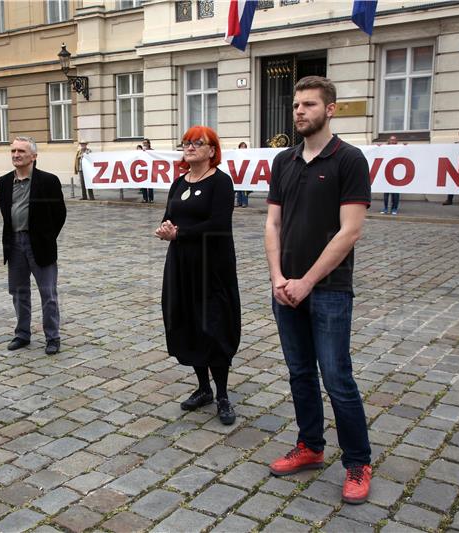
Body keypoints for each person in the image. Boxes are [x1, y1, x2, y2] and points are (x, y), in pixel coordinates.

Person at [265, 76, 372, 504]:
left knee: (337, 377)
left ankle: (358, 461)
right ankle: (310, 445)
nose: (298, 111)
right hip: (285, 289)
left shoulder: (349, 159)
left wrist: (307, 282)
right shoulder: (284, 161)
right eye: (295, 105)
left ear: (330, 109)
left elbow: (350, 232)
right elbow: (272, 224)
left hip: (327, 289)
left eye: (308, 104)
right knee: (300, 373)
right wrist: (277, 278)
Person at [156, 125, 241, 426]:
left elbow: (219, 223)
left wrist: (180, 233)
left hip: (211, 266)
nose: (190, 147)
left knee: (213, 325)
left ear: (212, 150)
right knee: (188, 323)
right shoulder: (179, 182)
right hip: (181, 264)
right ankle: (203, 388)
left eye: (197, 143)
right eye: (186, 142)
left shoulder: (221, 182)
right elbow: (170, 214)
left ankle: (222, 395)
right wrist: (166, 228)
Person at [0, 137, 66, 355]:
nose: (16, 155)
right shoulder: (3, 182)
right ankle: (22, 334)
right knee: (18, 292)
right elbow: (6, 213)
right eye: (13, 151)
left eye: (21, 151)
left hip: (40, 244)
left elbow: (59, 214)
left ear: (33, 156)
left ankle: (52, 337)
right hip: (14, 244)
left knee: (48, 293)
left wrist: (45, 237)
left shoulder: (49, 181)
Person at [380, 135, 400, 215]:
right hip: (387, 173)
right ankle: (385, 208)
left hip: (397, 174)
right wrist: (378, 147)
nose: (393, 141)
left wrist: (406, 146)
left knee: (395, 194)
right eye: (391, 140)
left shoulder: (400, 148)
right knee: (386, 193)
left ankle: (394, 208)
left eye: (394, 140)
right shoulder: (385, 149)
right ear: (389, 141)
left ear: (396, 141)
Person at [140, 138, 155, 203]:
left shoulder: (152, 151)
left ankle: (151, 199)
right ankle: (145, 198)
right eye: (143, 143)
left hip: (151, 170)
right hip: (143, 169)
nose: (144, 144)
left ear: (149, 144)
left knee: (150, 185)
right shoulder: (141, 151)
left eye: (145, 143)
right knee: (144, 184)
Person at [236, 141, 249, 208]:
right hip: (238, 174)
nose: (243, 148)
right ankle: (239, 202)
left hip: (245, 174)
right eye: (242, 147)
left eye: (244, 147)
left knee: (244, 190)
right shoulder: (237, 155)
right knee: (238, 189)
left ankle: (244, 202)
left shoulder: (248, 155)